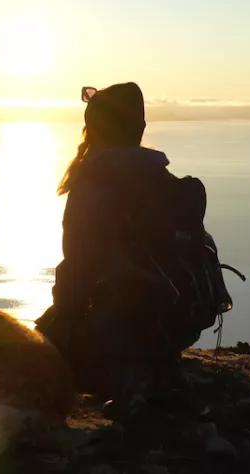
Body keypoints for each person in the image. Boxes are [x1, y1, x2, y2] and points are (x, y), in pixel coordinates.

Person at [35, 82, 190, 403]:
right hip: (174, 324)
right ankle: (151, 367)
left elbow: (76, 272)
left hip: (117, 327)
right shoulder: (163, 179)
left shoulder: (92, 186)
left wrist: (58, 320)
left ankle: (128, 376)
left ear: (95, 129)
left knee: (35, 351)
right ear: (139, 128)